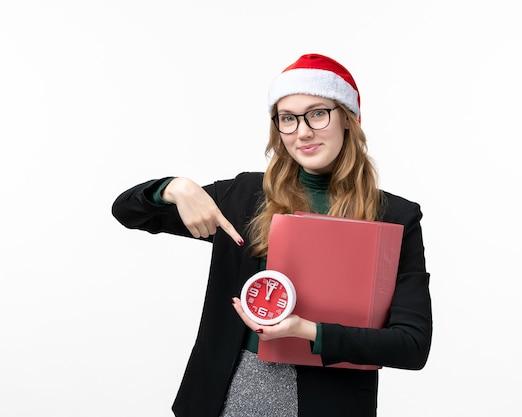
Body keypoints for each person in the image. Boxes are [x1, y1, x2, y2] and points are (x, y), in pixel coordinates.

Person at [111, 53, 432, 417]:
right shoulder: (244, 197)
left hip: (329, 402)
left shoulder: (394, 217)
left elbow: (411, 346)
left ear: (347, 118)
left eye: (317, 113)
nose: (303, 131)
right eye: (288, 119)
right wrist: (174, 188)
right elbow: (127, 211)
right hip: (227, 396)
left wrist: (308, 331)